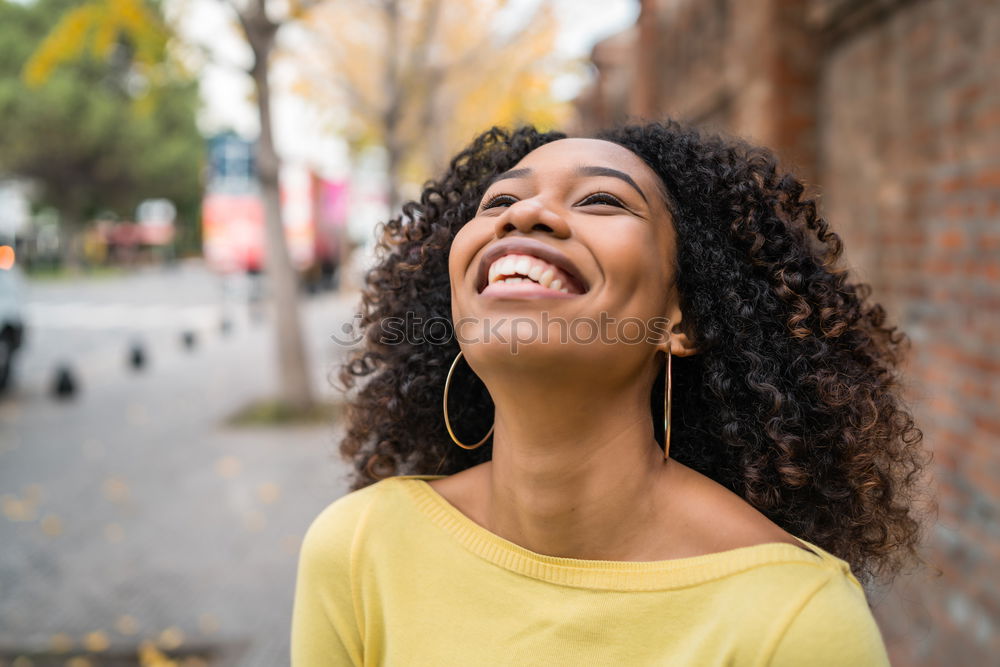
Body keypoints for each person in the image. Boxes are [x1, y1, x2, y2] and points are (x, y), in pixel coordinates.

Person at [291, 121, 930, 665]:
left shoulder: (795, 621)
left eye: (601, 199)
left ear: (684, 321)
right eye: (497, 202)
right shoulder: (357, 549)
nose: (523, 213)